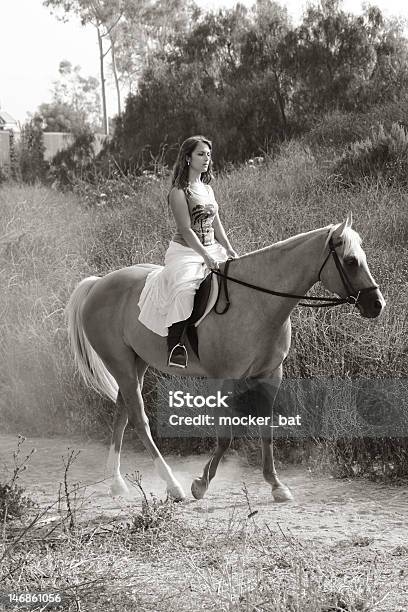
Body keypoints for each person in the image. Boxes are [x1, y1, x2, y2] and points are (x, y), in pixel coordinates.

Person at [138, 135, 238, 368]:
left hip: (212, 248)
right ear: (187, 158)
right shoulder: (178, 192)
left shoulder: (208, 189)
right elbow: (186, 229)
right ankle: (175, 346)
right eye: (200, 154)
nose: (206, 159)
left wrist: (228, 248)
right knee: (185, 292)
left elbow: (216, 224)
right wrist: (206, 256)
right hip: (186, 251)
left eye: (208, 154)